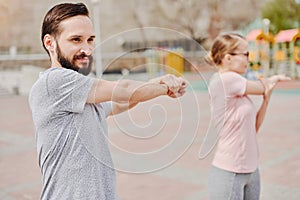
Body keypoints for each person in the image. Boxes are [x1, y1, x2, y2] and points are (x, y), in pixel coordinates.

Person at [29, 3, 186, 200]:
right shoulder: (54, 82)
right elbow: (125, 91)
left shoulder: (80, 90)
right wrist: (166, 87)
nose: (86, 49)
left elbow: (120, 102)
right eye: (76, 40)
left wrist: (155, 83)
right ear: (50, 43)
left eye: (90, 40)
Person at [206, 32, 290, 200]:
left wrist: (267, 99)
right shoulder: (225, 80)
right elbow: (261, 86)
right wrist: (272, 80)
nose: (248, 59)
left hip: (251, 170)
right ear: (228, 58)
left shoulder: (238, 88)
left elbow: (253, 129)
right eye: (245, 54)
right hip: (230, 172)